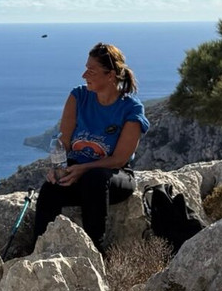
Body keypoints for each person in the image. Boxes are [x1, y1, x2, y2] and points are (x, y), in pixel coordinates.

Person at [32, 42, 150, 254]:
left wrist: (84, 169)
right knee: (51, 189)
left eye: (91, 71)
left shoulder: (130, 108)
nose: (84, 74)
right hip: (79, 172)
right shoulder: (79, 97)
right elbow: (64, 143)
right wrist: (58, 169)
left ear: (110, 75)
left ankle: (96, 251)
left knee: (94, 178)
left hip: (114, 177)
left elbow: (120, 159)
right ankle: (37, 251)